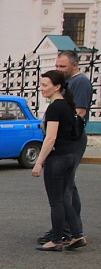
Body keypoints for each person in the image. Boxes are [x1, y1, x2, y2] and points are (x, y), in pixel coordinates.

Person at [36, 50, 94, 245]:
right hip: (69, 145)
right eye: (57, 66)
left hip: (67, 146)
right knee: (66, 190)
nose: (59, 69)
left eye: (62, 66)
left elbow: (54, 135)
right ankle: (71, 232)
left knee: (63, 193)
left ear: (74, 65)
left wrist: (39, 162)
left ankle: (62, 233)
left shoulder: (80, 84)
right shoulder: (66, 97)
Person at [31, 70, 86, 251]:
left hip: (58, 158)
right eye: (41, 84)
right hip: (70, 155)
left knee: (56, 201)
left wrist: (39, 162)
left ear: (57, 87)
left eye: (45, 85)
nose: (42, 88)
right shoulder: (69, 105)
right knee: (64, 198)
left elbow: (51, 137)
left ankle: (56, 240)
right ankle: (77, 235)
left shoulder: (54, 108)